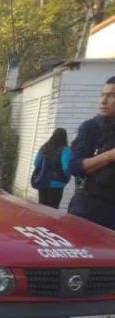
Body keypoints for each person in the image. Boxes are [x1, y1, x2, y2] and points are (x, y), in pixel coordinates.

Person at [67, 76, 115, 229]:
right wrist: (109, 156)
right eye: (102, 94)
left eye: (112, 96)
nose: (103, 101)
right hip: (89, 209)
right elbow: (74, 166)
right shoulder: (90, 128)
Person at [32, 128, 71, 209]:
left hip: (42, 182)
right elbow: (66, 168)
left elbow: (36, 163)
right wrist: (67, 177)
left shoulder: (44, 147)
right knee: (53, 209)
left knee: (42, 207)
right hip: (57, 184)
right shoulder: (65, 150)